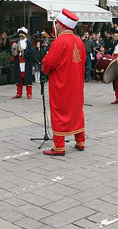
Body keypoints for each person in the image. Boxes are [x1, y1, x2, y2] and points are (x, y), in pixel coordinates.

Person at [41, 9, 86, 156]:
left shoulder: (59, 41)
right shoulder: (79, 41)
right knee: (77, 111)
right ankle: (80, 141)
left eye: (57, 24)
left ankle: (59, 146)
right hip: (76, 84)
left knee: (59, 111)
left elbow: (49, 64)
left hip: (61, 84)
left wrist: (44, 60)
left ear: (60, 25)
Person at [11, 27, 35, 99]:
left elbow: (31, 51)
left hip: (26, 63)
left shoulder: (29, 42)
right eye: (20, 34)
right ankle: (19, 93)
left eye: (22, 34)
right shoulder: (16, 42)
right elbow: (13, 51)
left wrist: (23, 50)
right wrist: (13, 51)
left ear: (25, 34)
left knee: (27, 78)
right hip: (18, 62)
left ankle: (29, 94)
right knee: (19, 78)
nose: (21, 35)